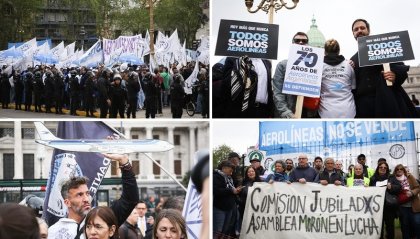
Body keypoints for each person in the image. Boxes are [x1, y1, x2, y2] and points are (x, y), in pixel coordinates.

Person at [48, 153, 139, 239]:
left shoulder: (103, 218)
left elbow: (130, 199)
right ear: (67, 202)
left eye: (87, 193)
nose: (86, 199)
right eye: (79, 195)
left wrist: (124, 163)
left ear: (111, 230)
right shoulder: (53, 232)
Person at [350, 18, 417, 118]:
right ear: (353, 34)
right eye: (356, 29)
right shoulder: (352, 60)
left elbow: (400, 68)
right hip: (364, 108)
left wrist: (394, 75)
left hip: (387, 102)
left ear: (368, 31)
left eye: (362, 28)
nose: (359, 30)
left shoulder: (384, 48)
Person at [272, 32, 309, 118]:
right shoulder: (282, 65)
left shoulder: (316, 68)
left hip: (308, 114)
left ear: (307, 44)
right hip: (288, 114)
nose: (300, 42)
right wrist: (286, 112)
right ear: (293, 44)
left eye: (304, 41)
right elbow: (277, 92)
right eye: (297, 40)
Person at [319, 39, 356, 118]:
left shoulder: (319, 67)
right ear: (339, 51)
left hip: (326, 111)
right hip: (348, 110)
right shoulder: (348, 65)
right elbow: (353, 87)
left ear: (325, 51)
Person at [369, 162, 401, 239]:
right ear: (378, 168)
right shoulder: (373, 178)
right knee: (378, 227)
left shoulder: (391, 177)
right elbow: (370, 191)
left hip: (389, 206)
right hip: (377, 207)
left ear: (387, 169)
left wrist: (391, 187)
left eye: (385, 168)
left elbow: (399, 187)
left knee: (390, 227)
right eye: (381, 167)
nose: (383, 169)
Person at [213, 160, 242, 238]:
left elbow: (230, 190)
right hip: (219, 208)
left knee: (225, 230)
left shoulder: (229, 178)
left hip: (229, 207)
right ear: (224, 168)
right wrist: (232, 190)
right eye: (230, 170)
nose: (231, 173)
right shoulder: (216, 177)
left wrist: (235, 190)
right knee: (218, 230)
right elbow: (217, 191)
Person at [393, 164, 420, 239]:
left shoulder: (409, 177)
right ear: (395, 171)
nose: (399, 170)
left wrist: (412, 192)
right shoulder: (393, 179)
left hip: (414, 205)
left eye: (401, 169)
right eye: (397, 169)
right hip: (402, 207)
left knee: (417, 223)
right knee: (405, 226)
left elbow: (417, 187)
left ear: (403, 170)